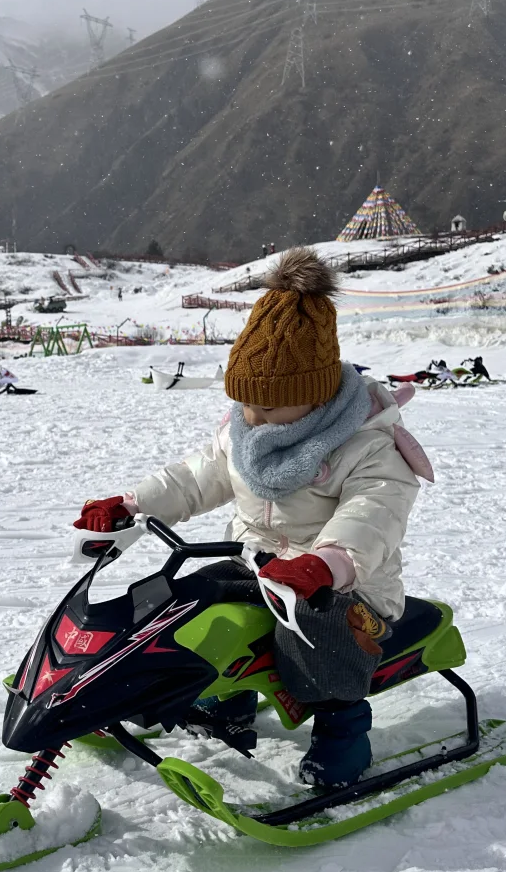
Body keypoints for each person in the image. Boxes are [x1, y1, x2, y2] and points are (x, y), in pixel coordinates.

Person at [75, 248, 432, 789]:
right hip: (254, 564)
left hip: (344, 584)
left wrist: (324, 563)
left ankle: (342, 728)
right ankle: (225, 698)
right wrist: (131, 504)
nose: (253, 419)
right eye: (246, 405)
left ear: (313, 399)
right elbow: (196, 478)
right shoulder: (245, 434)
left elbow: (373, 516)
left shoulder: (370, 447)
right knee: (187, 600)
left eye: (267, 408)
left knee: (317, 630)